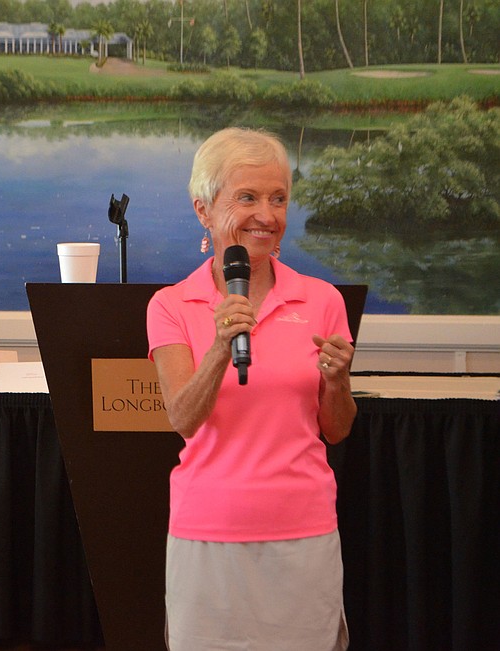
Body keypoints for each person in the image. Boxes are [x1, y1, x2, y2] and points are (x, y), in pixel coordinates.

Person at [147, 127, 356, 651]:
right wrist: (221, 346)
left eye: (279, 198)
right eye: (248, 197)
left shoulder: (323, 300)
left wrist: (337, 383)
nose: (267, 213)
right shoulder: (170, 305)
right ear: (204, 209)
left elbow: (337, 429)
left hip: (303, 531)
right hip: (207, 533)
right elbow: (182, 417)